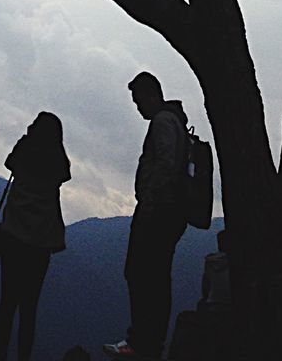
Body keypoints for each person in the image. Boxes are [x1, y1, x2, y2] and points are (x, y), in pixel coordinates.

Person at [104, 72, 189, 361]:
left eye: (138, 100)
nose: (137, 107)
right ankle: (150, 341)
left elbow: (166, 163)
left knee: (140, 274)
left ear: (151, 95)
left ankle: (141, 342)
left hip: (159, 210)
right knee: (155, 276)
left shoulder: (162, 122)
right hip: (168, 210)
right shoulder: (174, 120)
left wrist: (150, 201)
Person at [0, 110, 70, 361]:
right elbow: (65, 175)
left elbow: (9, 163)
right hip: (41, 242)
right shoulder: (57, 159)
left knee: (7, 303)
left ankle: (0, 356)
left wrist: (27, 136)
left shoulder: (25, 150)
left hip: (13, 235)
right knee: (30, 308)